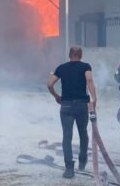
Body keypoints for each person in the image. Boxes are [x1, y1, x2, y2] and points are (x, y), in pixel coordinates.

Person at [47, 45, 97, 179]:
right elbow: (89, 80)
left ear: (69, 55)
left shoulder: (61, 68)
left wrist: (56, 96)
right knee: (83, 133)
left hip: (66, 106)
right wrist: (94, 99)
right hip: (82, 106)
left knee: (67, 137)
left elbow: (49, 84)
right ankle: (82, 161)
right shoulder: (86, 66)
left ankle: (69, 169)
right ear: (80, 55)